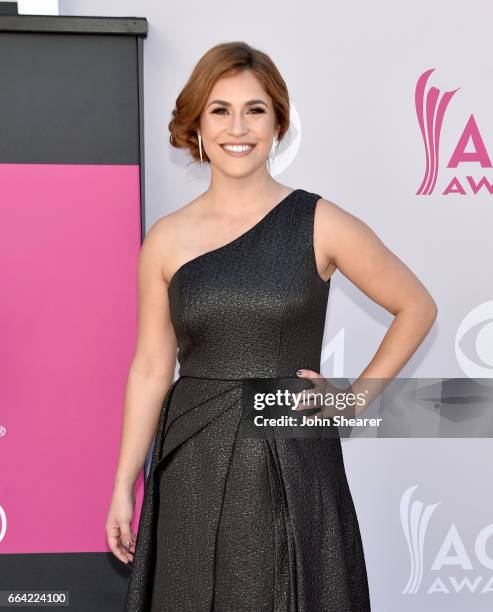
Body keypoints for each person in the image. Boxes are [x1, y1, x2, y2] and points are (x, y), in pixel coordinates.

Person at [106, 41, 437, 611]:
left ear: (279, 122)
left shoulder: (320, 221)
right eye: (220, 110)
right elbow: (152, 367)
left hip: (290, 452)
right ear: (197, 125)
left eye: (255, 110)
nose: (239, 127)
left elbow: (416, 306)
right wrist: (122, 485)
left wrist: (355, 401)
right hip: (193, 460)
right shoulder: (165, 239)